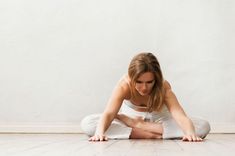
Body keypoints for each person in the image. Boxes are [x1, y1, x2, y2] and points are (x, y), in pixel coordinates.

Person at [81, 52, 210, 142]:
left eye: (149, 82)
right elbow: (109, 113)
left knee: (203, 126)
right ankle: (150, 134)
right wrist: (99, 134)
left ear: (156, 79)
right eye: (139, 82)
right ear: (132, 77)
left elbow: (180, 116)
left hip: (159, 121)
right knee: (88, 124)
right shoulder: (123, 86)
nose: (144, 88)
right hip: (130, 120)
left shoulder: (163, 87)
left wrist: (191, 134)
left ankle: (140, 126)